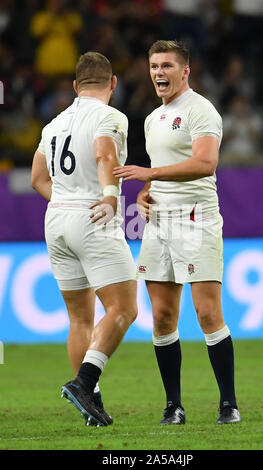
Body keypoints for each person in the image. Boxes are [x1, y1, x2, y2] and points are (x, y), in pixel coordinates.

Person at [113, 40, 241, 425]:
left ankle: (228, 404)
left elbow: (205, 163)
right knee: (163, 317)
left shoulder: (201, 110)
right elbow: (161, 169)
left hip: (196, 219)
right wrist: (147, 192)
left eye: (167, 65)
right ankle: (174, 405)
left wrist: (149, 174)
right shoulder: (153, 119)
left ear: (185, 71)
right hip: (159, 224)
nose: (158, 73)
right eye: (153, 66)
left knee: (206, 313)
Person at [31, 51, 137, 427]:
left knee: (79, 318)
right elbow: (104, 154)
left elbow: (37, 178)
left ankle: (90, 405)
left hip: (56, 218)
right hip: (93, 215)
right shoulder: (111, 116)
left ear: (75, 86)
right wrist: (109, 194)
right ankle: (83, 384)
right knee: (124, 309)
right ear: (113, 84)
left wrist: (64, 203)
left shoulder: (53, 123)